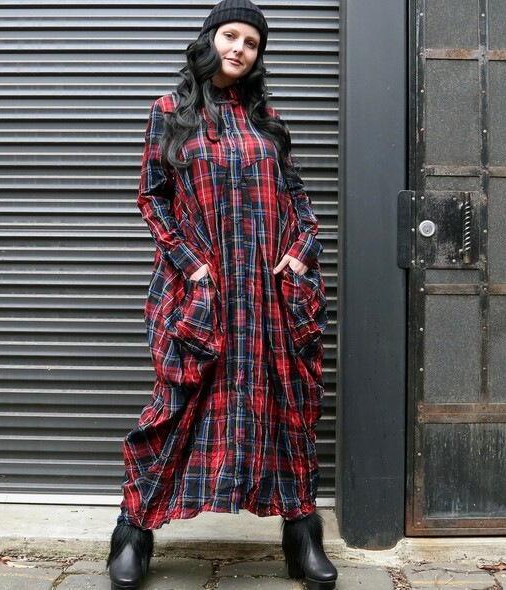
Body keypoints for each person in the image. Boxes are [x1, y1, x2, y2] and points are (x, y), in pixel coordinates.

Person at [107, 1, 336, 589]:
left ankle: (301, 535)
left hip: (267, 295)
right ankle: (134, 533)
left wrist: (300, 250)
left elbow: (299, 198)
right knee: (178, 407)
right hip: (204, 292)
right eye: (231, 36)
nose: (240, 48)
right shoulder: (169, 113)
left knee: (285, 407)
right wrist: (193, 265)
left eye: (252, 43)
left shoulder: (266, 120)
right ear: (209, 39)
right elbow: (151, 198)